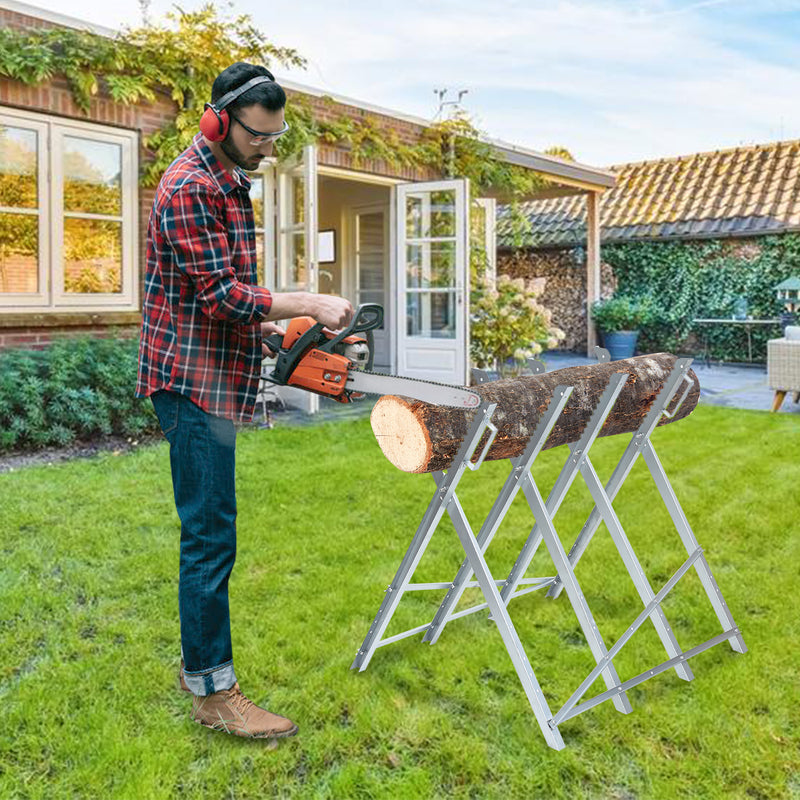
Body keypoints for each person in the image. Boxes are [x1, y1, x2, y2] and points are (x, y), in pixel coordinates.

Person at [136, 61, 353, 740]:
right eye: (259, 136)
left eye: (275, 136)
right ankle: (213, 693)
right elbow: (220, 294)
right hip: (191, 383)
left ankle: (200, 667)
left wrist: (264, 328)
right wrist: (306, 299)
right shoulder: (190, 186)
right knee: (209, 536)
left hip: (216, 375)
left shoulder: (231, 180)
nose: (268, 148)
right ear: (219, 122)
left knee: (213, 529)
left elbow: (227, 296)